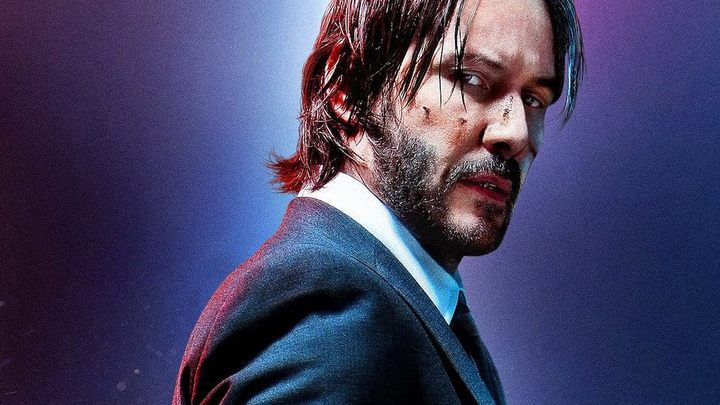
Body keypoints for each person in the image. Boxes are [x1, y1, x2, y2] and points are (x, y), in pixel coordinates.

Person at [174, 0, 583, 403]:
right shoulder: (328, 311)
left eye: (534, 99)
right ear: (348, 90)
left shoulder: (395, 302)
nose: (516, 133)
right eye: (470, 78)